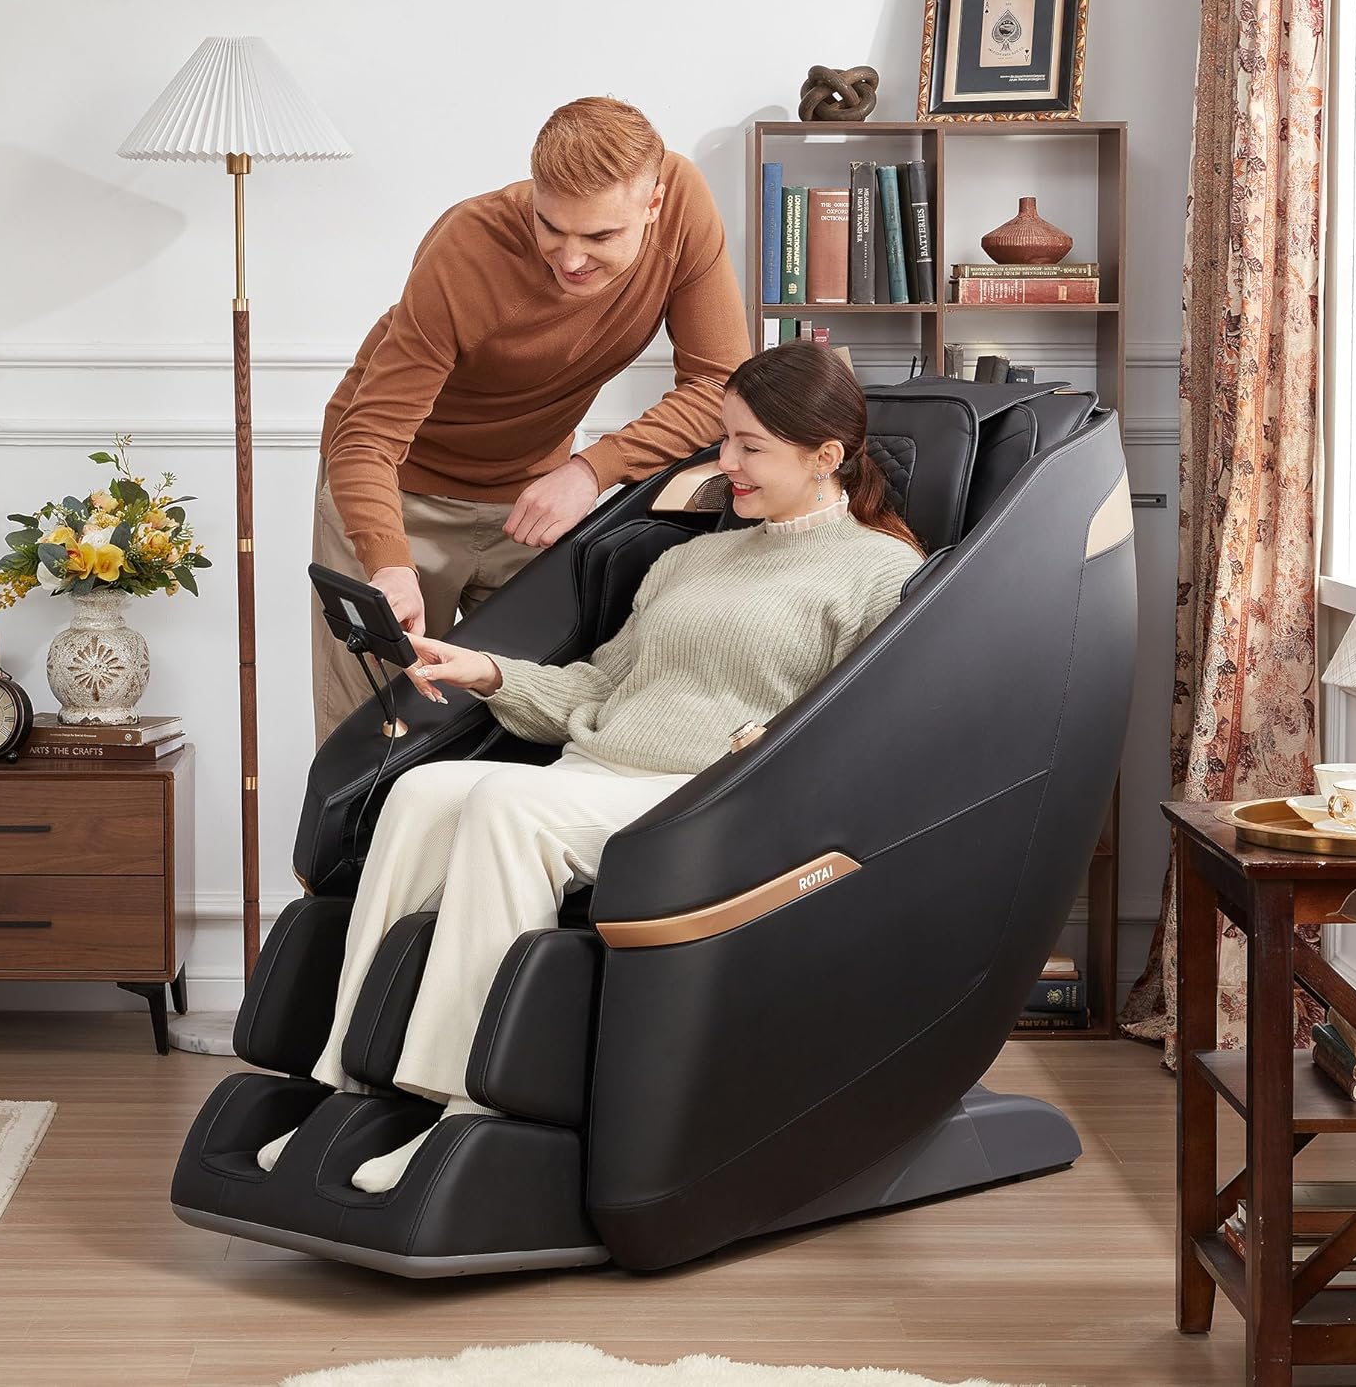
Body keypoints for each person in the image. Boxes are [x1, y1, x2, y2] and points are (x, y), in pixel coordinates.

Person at [264, 342, 925, 1192]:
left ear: (824, 455)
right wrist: (486, 672)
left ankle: (463, 1111)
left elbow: (855, 735)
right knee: (421, 790)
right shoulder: (691, 557)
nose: (725, 464)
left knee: (509, 806)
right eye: (723, 439)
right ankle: (346, 1088)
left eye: (749, 446)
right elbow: (602, 687)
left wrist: (765, 750)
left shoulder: (880, 572)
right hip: (596, 772)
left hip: (699, 800)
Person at [312, 96, 750, 743]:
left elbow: (719, 383)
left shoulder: (683, 203)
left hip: (531, 505)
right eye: (551, 227)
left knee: (526, 725)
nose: (570, 259)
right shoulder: (467, 245)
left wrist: (591, 470)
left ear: (653, 204)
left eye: (599, 237)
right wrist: (389, 564)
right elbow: (367, 439)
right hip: (396, 493)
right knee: (377, 737)